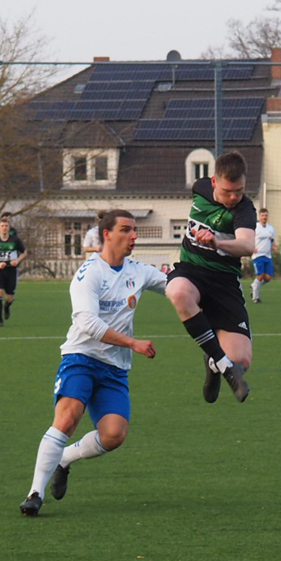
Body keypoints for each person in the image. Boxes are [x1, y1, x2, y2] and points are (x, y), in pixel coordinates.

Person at [19, 210, 168, 516]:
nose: (133, 236)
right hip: (81, 357)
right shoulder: (88, 274)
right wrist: (133, 343)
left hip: (115, 368)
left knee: (114, 435)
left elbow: (174, 286)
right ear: (107, 234)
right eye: (126, 230)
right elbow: (88, 323)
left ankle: (64, 459)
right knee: (68, 418)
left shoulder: (139, 271)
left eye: (134, 230)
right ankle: (35, 493)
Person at [166, 151, 256, 404]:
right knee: (178, 291)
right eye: (228, 191)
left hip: (224, 282)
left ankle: (214, 362)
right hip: (191, 270)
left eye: (239, 191)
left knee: (242, 361)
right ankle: (222, 362)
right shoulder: (200, 188)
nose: (233, 197)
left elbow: (247, 246)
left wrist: (218, 242)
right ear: (214, 182)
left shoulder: (244, 210)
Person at [0, 217, 26, 327]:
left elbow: (24, 253)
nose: (4, 228)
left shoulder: (15, 240)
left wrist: (17, 260)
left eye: (6, 226)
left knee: (9, 298)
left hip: (11, 270)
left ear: (9, 228)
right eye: (2, 226)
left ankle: (6, 307)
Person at [250, 208, 277, 303]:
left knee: (268, 278)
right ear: (259, 216)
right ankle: (255, 297)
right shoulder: (255, 227)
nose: (264, 217)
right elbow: (250, 238)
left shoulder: (271, 228)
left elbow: (272, 240)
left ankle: (254, 285)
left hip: (267, 255)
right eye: (262, 215)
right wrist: (252, 247)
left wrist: (274, 247)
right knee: (260, 275)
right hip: (257, 255)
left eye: (266, 215)